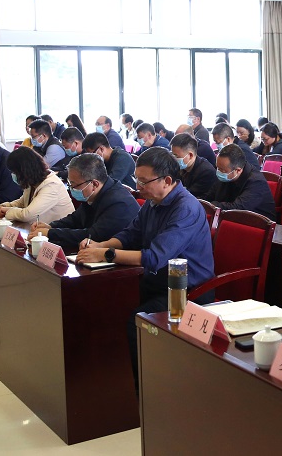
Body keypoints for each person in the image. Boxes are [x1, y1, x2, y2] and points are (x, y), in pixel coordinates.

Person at [75, 147, 215, 389]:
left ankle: (144, 391)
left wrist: (106, 254)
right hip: (156, 280)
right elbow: (131, 234)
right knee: (105, 301)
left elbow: (155, 257)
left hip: (185, 291)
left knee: (135, 320)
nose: (138, 186)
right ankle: (110, 382)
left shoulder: (186, 208)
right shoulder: (153, 202)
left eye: (143, 181)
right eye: (136, 179)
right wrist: (101, 245)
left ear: (167, 181)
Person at [28, 153, 140, 247]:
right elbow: (75, 219)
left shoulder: (119, 203)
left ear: (94, 184)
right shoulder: (95, 193)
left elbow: (93, 235)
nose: (71, 189)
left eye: (74, 185)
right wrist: (51, 226)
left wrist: (50, 233)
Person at [0, 147, 74, 224]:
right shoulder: (33, 181)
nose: (13, 175)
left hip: (59, 232)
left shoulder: (52, 185)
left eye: (14, 172)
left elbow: (27, 215)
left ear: (24, 171)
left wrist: (6, 211)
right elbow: (22, 203)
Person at [209, 144, 276, 220]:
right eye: (217, 168)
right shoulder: (226, 174)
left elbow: (237, 208)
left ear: (238, 170)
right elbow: (209, 196)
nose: (218, 172)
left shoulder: (257, 182)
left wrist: (210, 205)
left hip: (257, 223)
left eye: (222, 170)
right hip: (232, 219)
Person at [170, 133, 216, 200]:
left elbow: (189, 195)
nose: (174, 159)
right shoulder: (181, 166)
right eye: (172, 155)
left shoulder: (206, 172)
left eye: (176, 156)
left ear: (190, 155)